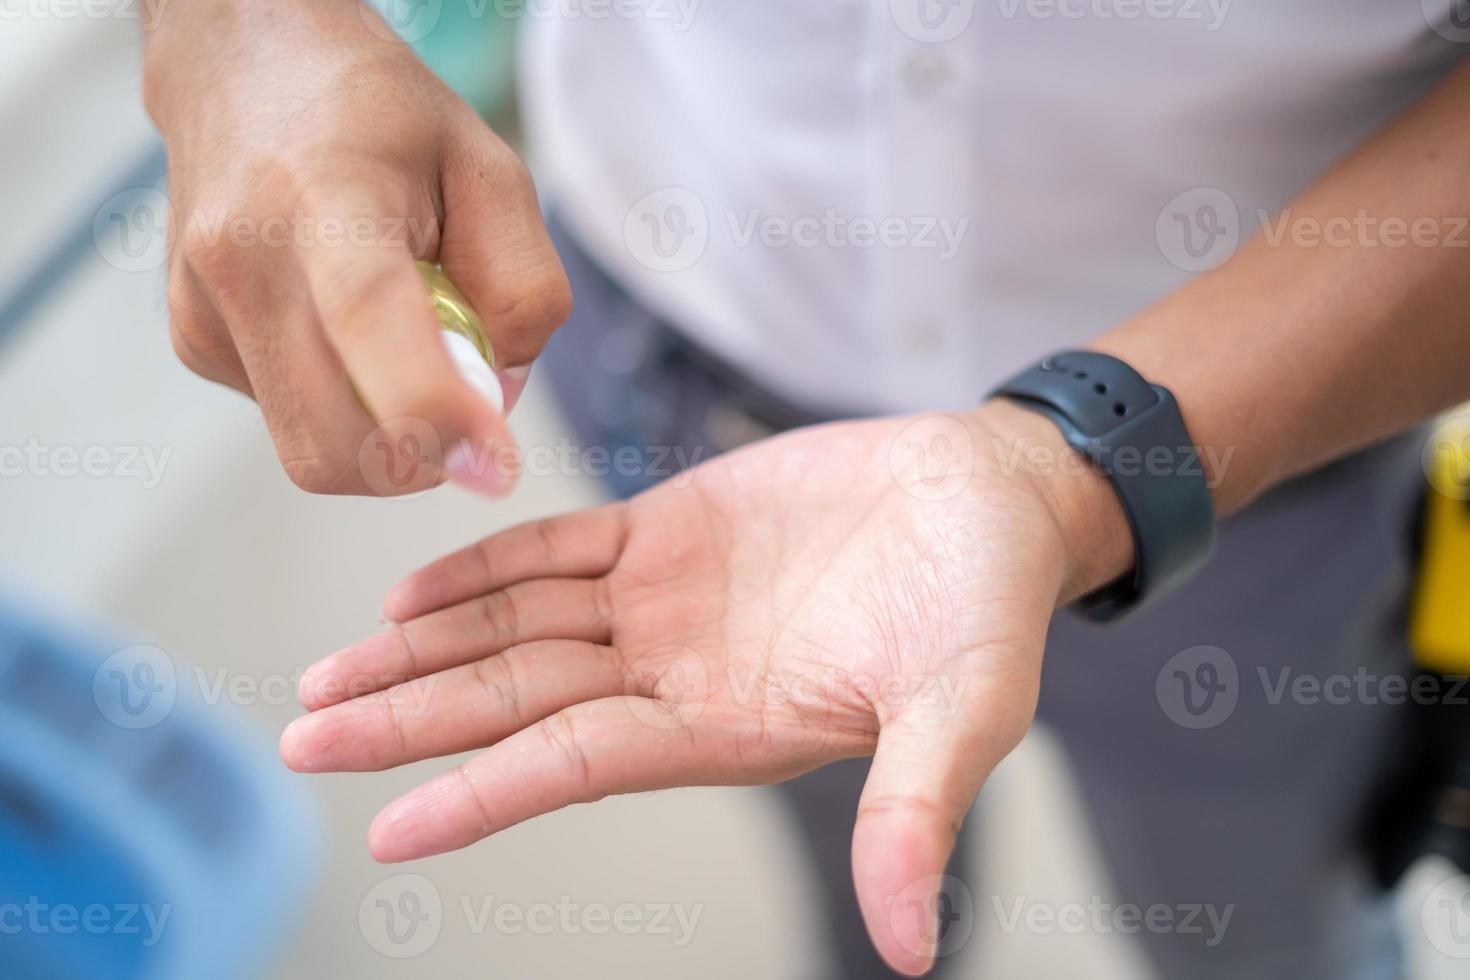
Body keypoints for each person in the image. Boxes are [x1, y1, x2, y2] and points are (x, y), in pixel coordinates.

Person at [140, 2, 1470, 976]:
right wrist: (241, 31)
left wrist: (1059, 464)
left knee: (1257, 929)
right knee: (844, 846)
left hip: (1262, 458)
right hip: (674, 371)